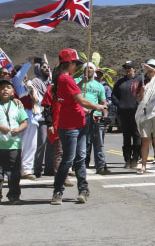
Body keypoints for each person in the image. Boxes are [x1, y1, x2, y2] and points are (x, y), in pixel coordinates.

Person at [51, 49, 105, 205]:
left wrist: (86, 110)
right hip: (70, 126)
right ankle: (58, 191)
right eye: (75, 64)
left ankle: (83, 189)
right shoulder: (66, 79)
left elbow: (73, 103)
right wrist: (97, 106)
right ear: (69, 63)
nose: (76, 68)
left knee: (80, 158)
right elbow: (81, 100)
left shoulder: (63, 79)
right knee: (69, 159)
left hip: (79, 121)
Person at [0, 79, 28, 206]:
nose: (5, 90)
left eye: (8, 87)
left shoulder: (17, 106)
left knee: (14, 173)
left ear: (13, 91)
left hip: (14, 145)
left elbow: (24, 122)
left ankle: (14, 195)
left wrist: (18, 129)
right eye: (2, 88)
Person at [10, 58, 42, 180]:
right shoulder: (16, 84)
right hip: (22, 119)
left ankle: (27, 169)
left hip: (33, 119)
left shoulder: (30, 85)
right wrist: (28, 63)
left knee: (31, 146)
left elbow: (39, 100)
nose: (24, 76)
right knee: (20, 145)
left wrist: (36, 98)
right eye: (22, 74)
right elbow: (18, 77)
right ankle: (16, 169)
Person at [75, 63, 109, 174]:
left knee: (99, 142)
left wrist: (105, 118)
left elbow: (103, 102)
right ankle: (80, 165)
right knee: (82, 142)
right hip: (81, 115)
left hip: (96, 116)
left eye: (91, 68)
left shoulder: (99, 86)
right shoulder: (76, 81)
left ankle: (101, 166)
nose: (88, 70)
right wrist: (82, 82)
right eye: (86, 68)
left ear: (94, 71)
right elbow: (73, 95)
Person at [112, 61, 143, 169]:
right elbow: (114, 95)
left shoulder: (140, 80)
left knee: (137, 136)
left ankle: (135, 158)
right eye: (126, 67)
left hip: (137, 112)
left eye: (129, 67)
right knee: (126, 137)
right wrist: (119, 104)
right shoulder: (121, 82)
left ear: (134, 68)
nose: (127, 69)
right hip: (124, 113)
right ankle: (127, 160)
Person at [32, 60, 52, 178]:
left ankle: (49, 168)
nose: (46, 68)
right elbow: (44, 96)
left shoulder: (50, 82)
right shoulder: (36, 82)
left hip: (51, 115)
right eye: (44, 67)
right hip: (41, 117)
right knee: (41, 143)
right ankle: (37, 168)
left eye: (48, 67)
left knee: (51, 143)